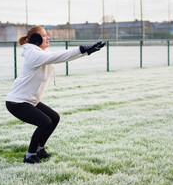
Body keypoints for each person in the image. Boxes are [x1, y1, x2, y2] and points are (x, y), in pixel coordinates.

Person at [6, 25, 105, 164]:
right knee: (44, 122)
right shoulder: (33, 54)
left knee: (54, 118)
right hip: (17, 102)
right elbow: (57, 56)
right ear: (36, 39)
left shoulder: (40, 53)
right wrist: (81, 48)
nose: (48, 37)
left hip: (29, 100)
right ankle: (30, 155)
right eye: (44, 35)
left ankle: (40, 150)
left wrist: (86, 52)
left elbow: (62, 57)